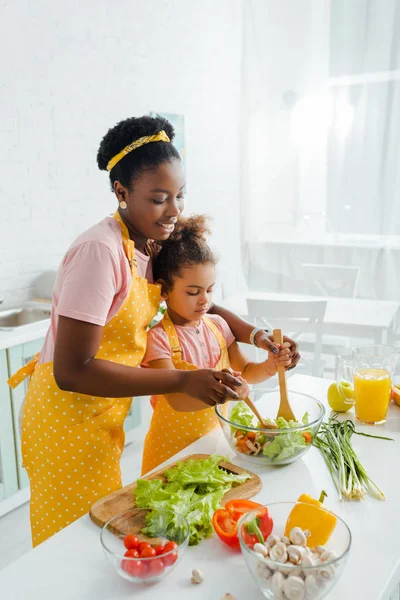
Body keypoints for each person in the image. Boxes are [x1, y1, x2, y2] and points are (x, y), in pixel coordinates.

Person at [8, 115, 299, 547]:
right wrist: (182, 378)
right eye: (160, 198)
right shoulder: (99, 252)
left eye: (180, 195)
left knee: (101, 535)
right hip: (65, 422)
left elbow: (202, 301)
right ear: (121, 192)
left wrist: (255, 336)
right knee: (69, 547)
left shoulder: (150, 242)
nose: (175, 210)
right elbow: (73, 370)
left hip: (103, 417)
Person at [141, 214, 293, 473]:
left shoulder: (218, 325)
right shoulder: (157, 338)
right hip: (169, 454)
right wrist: (227, 391)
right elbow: (178, 400)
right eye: (193, 292)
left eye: (210, 290)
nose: (204, 301)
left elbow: (245, 371)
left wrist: (269, 366)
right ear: (164, 290)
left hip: (214, 444)